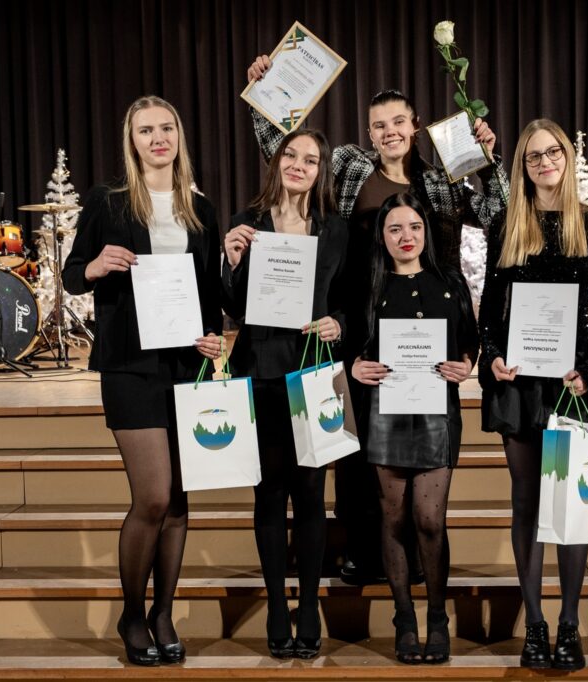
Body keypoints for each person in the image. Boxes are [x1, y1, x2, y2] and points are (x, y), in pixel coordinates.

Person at [247, 54, 508, 585]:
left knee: (420, 440)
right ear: (369, 132)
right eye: (379, 125)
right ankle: (362, 548)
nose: (390, 132)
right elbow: (284, 154)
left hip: (426, 329)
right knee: (356, 441)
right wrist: (263, 95)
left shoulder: (442, 179)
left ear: (416, 126)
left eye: (399, 122)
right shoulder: (349, 166)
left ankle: (417, 549)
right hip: (361, 321)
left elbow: (496, 214)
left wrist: (486, 161)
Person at [62, 95, 223, 667]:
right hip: (130, 364)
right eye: (146, 130)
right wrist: (95, 266)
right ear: (131, 141)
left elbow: (209, 292)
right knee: (153, 496)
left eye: (167, 128)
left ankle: (163, 613)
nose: (159, 138)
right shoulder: (108, 200)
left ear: (179, 135)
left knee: (178, 502)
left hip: (185, 364)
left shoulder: (200, 207)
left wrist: (213, 336)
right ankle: (132, 613)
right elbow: (72, 275)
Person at [478, 119, 588, 671]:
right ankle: (535, 625)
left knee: (571, 504)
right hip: (521, 383)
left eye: (553, 152)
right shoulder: (507, 223)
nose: (544, 163)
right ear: (523, 166)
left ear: (566, 156)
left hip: (572, 382)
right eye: (534, 156)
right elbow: (491, 309)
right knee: (527, 502)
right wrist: (493, 354)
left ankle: (569, 625)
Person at [220, 128, 348, 660]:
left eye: (311, 159)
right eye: (290, 155)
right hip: (261, 371)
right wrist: (231, 261)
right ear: (276, 162)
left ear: (321, 171)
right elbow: (231, 306)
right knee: (269, 494)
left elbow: (349, 299)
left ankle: (309, 605)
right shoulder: (247, 224)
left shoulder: (335, 229)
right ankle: (277, 605)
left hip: (314, 373)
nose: (299, 165)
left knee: (312, 495)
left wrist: (338, 323)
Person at [351, 193, 477, 664]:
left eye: (415, 227)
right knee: (394, 519)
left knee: (428, 519)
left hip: (436, 411)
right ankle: (404, 619)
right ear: (382, 237)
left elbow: (470, 343)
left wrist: (467, 364)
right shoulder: (369, 284)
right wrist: (354, 365)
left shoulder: (450, 281)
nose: (407, 237)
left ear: (426, 231)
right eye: (395, 229)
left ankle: (437, 618)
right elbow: (352, 343)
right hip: (385, 410)